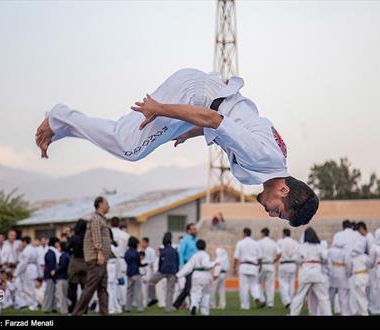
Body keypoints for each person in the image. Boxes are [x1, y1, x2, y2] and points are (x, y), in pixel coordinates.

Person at [35, 68, 319, 227]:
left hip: (204, 99)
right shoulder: (264, 158)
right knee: (130, 148)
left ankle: (61, 128)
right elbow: (214, 118)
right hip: (196, 96)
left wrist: (192, 132)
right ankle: (60, 116)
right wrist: (160, 109)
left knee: (129, 140)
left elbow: (238, 121)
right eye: (279, 212)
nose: (271, 214)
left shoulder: (273, 162)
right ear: (283, 190)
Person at [72, 196, 112, 316]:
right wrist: (99, 253)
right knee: (90, 287)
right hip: (96, 258)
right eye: (106, 203)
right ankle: (76, 313)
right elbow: (96, 237)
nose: (108, 206)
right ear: (100, 204)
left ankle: (104, 313)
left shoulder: (102, 220)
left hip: (102, 259)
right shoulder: (95, 219)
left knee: (103, 288)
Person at [290, 227, 331, 316]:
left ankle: (293, 314)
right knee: (323, 297)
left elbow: (296, 258)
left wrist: (302, 262)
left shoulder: (302, 246)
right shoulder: (319, 246)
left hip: (305, 272)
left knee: (299, 296)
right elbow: (325, 258)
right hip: (317, 272)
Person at [176, 240, 217, 316]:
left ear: (196, 247)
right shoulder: (205, 255)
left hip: (196, 274)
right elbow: (206, 265)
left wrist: (178, 275)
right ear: (205, 246)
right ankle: (205, 312)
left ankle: (194, 305)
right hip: (205, 275)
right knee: (206, 294)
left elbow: (187, 267)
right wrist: (214, 263)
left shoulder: (195, 256)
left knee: (195, 293)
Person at [147, 232, 178, 312]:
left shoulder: (163, 251)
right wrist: (176, 273)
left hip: (163, 270)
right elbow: (177, 262)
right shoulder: (175, 251)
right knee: (170, 290)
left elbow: (160, 262)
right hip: (172, 272)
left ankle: (153, 298)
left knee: (151, 282)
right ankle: (168, 307)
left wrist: (159, 270)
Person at [233, 227, 263, 310]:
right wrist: (260, 266)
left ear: (244, 233)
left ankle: (245, 305)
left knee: (244, 287)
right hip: (254, 266)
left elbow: (236, 257)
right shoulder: (256, 243)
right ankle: (256, 296)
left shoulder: (240, 243)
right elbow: (260, 257)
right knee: (254, 285)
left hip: (244, 266)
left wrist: (234, 267)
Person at [173, 223, 198, 309]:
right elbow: (181, 253)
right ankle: (191, 305)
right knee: (189, 288)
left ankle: (176, 304)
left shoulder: (196, 240)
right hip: (188, 266)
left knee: (189, 287)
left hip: (196, 266)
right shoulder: (185, 240)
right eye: (193, 229)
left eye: (195, 229)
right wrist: (182, 267)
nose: (195, 231)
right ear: (188, 231)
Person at [67, 219, 88, 314]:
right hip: (86, 262)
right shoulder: (88, 237)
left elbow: (67, 248)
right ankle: (85, 307)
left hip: (75, 262)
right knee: (85, 287)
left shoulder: (74, 237)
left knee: (73, 287)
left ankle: (73, 307)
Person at [327, 233, 351, 315]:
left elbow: (328, 263)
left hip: (332, 274)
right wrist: (348, 273)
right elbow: (348, 264)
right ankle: (345, 313)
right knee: (343, 297)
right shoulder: (345, 252)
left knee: (330, 296)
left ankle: (327, 312)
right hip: (342, 275)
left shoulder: (330, 250)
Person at [109, 217, 129, 308]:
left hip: (110, 259)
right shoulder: (126, 235)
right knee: (122, 282)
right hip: (122, 258)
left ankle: (114, 302)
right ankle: (123, 302)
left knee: (112, 283)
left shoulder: (108, 234)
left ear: (110, 223)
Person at [277, 228, 300, 309]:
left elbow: (278, 253)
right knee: (291, 284)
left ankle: (287, 301)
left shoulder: (280, 241)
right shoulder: (295, 242)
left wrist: (275, 260)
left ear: (284, 234)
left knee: (283, 284)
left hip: (283, 264)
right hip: (292, 265)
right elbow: (298, 253)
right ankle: (292, 301)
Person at [14, 236, 39, 311]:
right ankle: (30, 304)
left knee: (29, 289)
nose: (21, 244)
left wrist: (16, 273)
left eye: (22, 242)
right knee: (29, 288)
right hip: (32, 269)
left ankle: (33, 305)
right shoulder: (33, 249)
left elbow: (23, 263)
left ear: (25, 242)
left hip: (28, 270)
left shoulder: (27, 250)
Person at [257, 227, 280, 308]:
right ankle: (270, 303)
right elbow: (279, 253)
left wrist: (259, 265)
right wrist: (275, 260)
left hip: (262, 264)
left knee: (258, 283)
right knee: (270, 285)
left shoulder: (259, 242)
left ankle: (262, 299)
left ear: (263, 233)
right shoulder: (273, 242)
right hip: (270, 265)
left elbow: (258, 255)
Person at [349, 239, 372, 316]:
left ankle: (364, 312)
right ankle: (363, 311)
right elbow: (370, 264)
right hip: (365, 276)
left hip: (358, 277)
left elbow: (350, 268)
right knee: (363, 295)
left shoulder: (352, 258)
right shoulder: (364, 257)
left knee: (360, 296)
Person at [124, 236, 144, 312]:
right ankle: (140, 307)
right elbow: (138, 263)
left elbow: (126, 261)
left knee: (129, 291)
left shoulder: (127, 252)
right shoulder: (136, 253)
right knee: (138, 291)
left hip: (129, 273)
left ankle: (128, 307)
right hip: (136, 272)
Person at [42, 237, 60, 313]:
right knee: (49, 292)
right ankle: (46, 308)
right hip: (51, 275)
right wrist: (52, 272)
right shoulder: (51, 252)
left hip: (51, 274)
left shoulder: (52, 252)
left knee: (53, 291)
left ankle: (53, 307)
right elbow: (50, 265)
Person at [55, 241, 70, 314]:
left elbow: (63, 266)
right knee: (64, 294)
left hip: (62, 277)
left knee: (62, 295)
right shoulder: (68, 255)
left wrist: (55, 270)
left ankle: (63, 310)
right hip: (66, 276)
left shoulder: (63, 256)